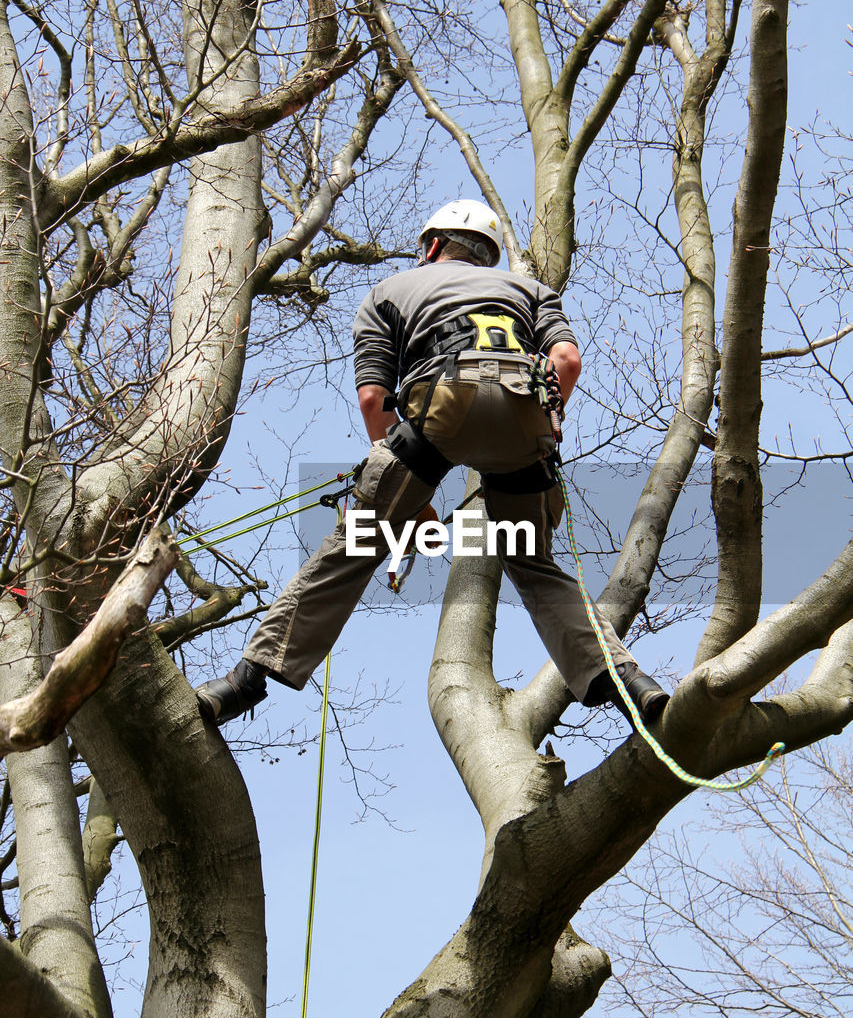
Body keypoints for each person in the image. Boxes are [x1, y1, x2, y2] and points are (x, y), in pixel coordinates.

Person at [196, 199, 668, 728]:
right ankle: (628, 681)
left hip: (443, 404)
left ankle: (246, 680)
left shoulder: (390, 293)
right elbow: (567, 361)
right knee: (533, 563)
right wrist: (549, 416)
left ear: (436, 245)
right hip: (526, 414)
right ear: (485, 255)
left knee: (356, 544)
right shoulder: (530, 291)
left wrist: (406, 500)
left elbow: (374, 398)